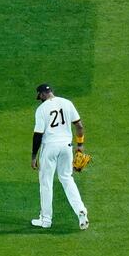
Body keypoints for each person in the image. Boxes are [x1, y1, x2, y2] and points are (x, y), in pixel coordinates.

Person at [30, 82, 89, 230]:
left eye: (40, 96)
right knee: (67, 179)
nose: (40, 99)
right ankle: (81, 210)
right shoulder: (67, 103)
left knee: (46, 183)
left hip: (50, 147)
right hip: (66, 147)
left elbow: (38, 135)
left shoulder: (41, 109)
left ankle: (46, 220)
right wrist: (80, 146)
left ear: (43, 94)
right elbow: (79, 126)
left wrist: (33, 156)